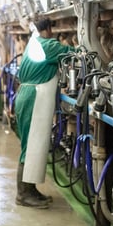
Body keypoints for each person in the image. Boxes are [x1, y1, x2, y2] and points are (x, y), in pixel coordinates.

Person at [14, 18, 75, 209]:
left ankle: (30, 190)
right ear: (48, 29)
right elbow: (77, 54)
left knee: (32, 146)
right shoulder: (49, 45)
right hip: (34, 98)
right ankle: (23, 195)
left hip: (27, 95)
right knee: (30, 147)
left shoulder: (34, 44)